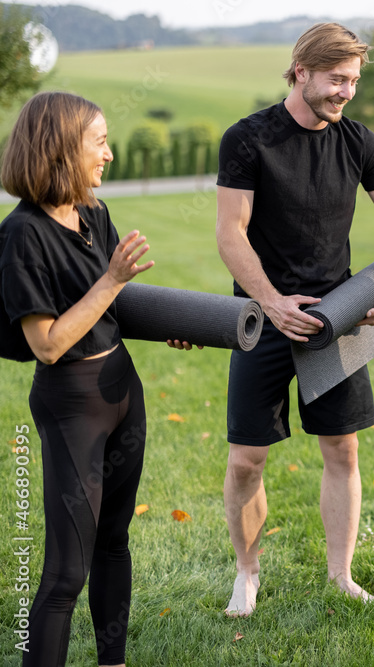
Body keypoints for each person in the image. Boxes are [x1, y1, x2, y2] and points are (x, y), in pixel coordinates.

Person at [214, 22, 374, 616]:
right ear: (300, 71)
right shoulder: (248, 140)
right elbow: (230, 234)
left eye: (353, 81)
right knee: (247, 458)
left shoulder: (357, 141)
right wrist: (274, 301)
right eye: (336, 79)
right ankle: (247, 572)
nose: (345, 92)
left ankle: (340, 575)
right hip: (262, 317)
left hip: (340, 318)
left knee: (343, 450)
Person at [0, 92, 158, 667]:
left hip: (122, 390)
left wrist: (167, 325)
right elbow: (46, 344)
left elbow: (108, 309)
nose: (110, 155)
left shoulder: (94, 215)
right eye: (100, 142)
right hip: (73, 406)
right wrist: (114, 280)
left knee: (114, 542)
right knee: (67, 572)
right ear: (63, 149)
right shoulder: (23, 235)